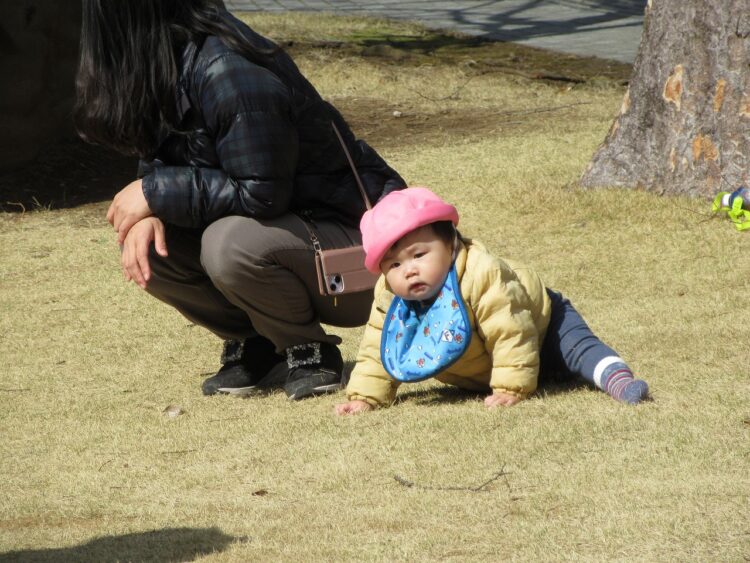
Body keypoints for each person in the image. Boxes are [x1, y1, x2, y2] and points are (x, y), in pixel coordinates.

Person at [74, 0, 404, 400]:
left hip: (368, 261)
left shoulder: (229, 69)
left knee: (228, 244)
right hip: (301, 243)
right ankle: (258, 343)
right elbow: (166, 160)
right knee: (154, 245)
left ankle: (308, 349)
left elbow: (262, 193)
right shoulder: (169, 62)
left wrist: (154, 192)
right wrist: (149, 210)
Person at [335, 188, 649, 414]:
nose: (409, 270)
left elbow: (510, 331)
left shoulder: (481, 273)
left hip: (543, 326)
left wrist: (509, 387)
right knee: (556, 375)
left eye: (419, 255)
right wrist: (365, 397)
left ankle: (618, 379)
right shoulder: (391, 297)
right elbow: (379, 346)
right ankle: (546, 374)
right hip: (485, 366)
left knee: (578, 350)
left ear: (451, 245)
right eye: (394, 265)